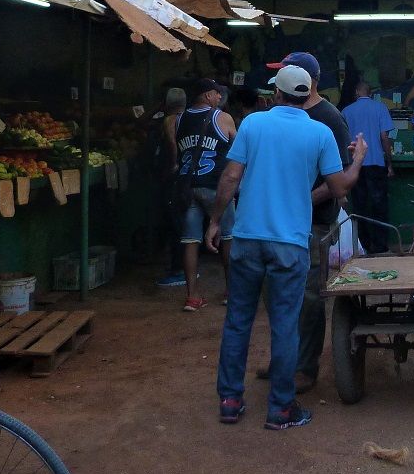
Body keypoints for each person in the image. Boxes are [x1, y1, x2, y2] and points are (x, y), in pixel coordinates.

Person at [206, 64, 366, 430]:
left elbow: (231, 175)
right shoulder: (320, 132)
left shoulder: (253, 124)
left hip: (247, 240)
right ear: (307, 93)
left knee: (238, 322)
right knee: (284, 325)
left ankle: (230, 401)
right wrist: (357, 159)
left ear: (275, 93)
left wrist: (216, 221)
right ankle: (280, 408)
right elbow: (339, 188)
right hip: (291, 245)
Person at [265, 51, 352, 395]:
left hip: (314, 222)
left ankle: (305, 367)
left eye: (285, 72)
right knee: (275, 292)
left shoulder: (329, 118)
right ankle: (282, 360)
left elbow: (339, 177)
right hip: (279, 222)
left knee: (310, 297)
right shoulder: (280, 115)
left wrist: (298, 201)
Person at [173, 80, 236, 312]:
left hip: (188, 186)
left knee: (190, 241)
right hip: (215, 188)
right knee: (229, 237)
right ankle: (232, 291)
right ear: (208, 95)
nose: (220, 98)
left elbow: (176, 153)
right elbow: (239, 149)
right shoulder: (222, 118)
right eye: (217, 94)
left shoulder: (179, 119)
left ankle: (192, 297)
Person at [341, 79, 395, 254]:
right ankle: (380, 246)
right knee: (379, 206)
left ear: (356, 92)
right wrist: (389, 163)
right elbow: (384, 137)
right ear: (370, 93)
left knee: (359, 206)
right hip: (376, 164)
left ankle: (363, 245)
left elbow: (343, 140)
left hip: (355, 165)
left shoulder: (346, 111)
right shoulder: (380, 108)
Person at [155, 86, 189, 289]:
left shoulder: (170, 120)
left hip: (174, 175)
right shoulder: (188, 117)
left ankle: (178, 270)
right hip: (185, 176)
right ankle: (184, 267)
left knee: (175, 222)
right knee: (182, 222)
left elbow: (172, 144)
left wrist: (174, 164)